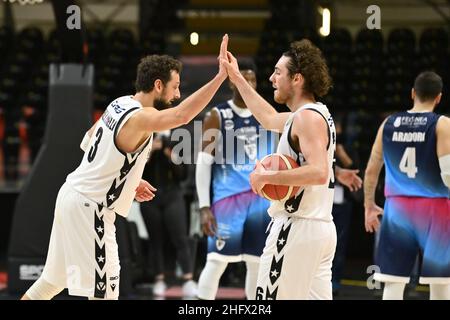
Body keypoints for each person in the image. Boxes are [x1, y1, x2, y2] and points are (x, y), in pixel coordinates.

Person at [21, 35, 230, 300]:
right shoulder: (141, 116)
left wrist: (129, 180)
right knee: (106, 293)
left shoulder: (118, 103)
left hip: (71, 196)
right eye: (175, 87)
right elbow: (183, 116)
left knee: (51, 282)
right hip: (92, 208)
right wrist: (221, 76)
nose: (177, 95)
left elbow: (89, 141)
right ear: (158, 85)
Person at [222, 38, 362, 299]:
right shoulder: (313, 113)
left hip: (297, 229)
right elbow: (268, 118)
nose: (272, 79)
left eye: (278, 72)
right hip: (319, 229)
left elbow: (319, 171)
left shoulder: (306, 117)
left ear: (297, 79)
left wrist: (268, 176)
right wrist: (237, 77)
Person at [364, 71, 450, 300]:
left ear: (412, 93)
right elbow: (449, 173)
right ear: (439, 97)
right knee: (440, 284)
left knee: (393, 283)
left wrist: (369, 205)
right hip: (436, 208)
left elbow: (371, 169)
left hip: (397, 209)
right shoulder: (442, 124)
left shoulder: (389, 123)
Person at [195, 60, 274, 300]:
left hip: (260, 201)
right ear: (233, 81)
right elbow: (203, 163)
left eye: (252, 79)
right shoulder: (217, 115)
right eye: (243, 78)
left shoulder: (267, 115)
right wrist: (204, 206)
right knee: (217, 261)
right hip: (227, 200)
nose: (248, 83)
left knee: (257, 263)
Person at [140, 131, 197, 297]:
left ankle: (188, 279)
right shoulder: (144, 139)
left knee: (180, 238)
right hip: (150, 197)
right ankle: (159, 279)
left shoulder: (176, 141)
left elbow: (183, 174)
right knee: (155, 240)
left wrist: (168, 152)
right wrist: (150, 150)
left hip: (173, 195)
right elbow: (136, 170)